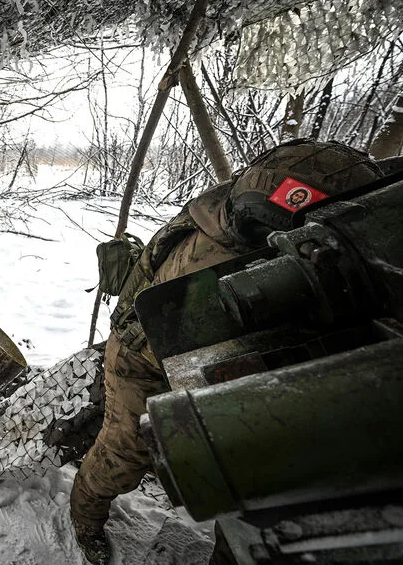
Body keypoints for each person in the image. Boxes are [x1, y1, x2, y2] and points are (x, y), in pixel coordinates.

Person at [69, 139, 383, 564]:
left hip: (215, 365)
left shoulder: (234, 212)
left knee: (245, 477)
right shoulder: (217, 236)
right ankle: (85, 515)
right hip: (143, 357)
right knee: (124, 455)